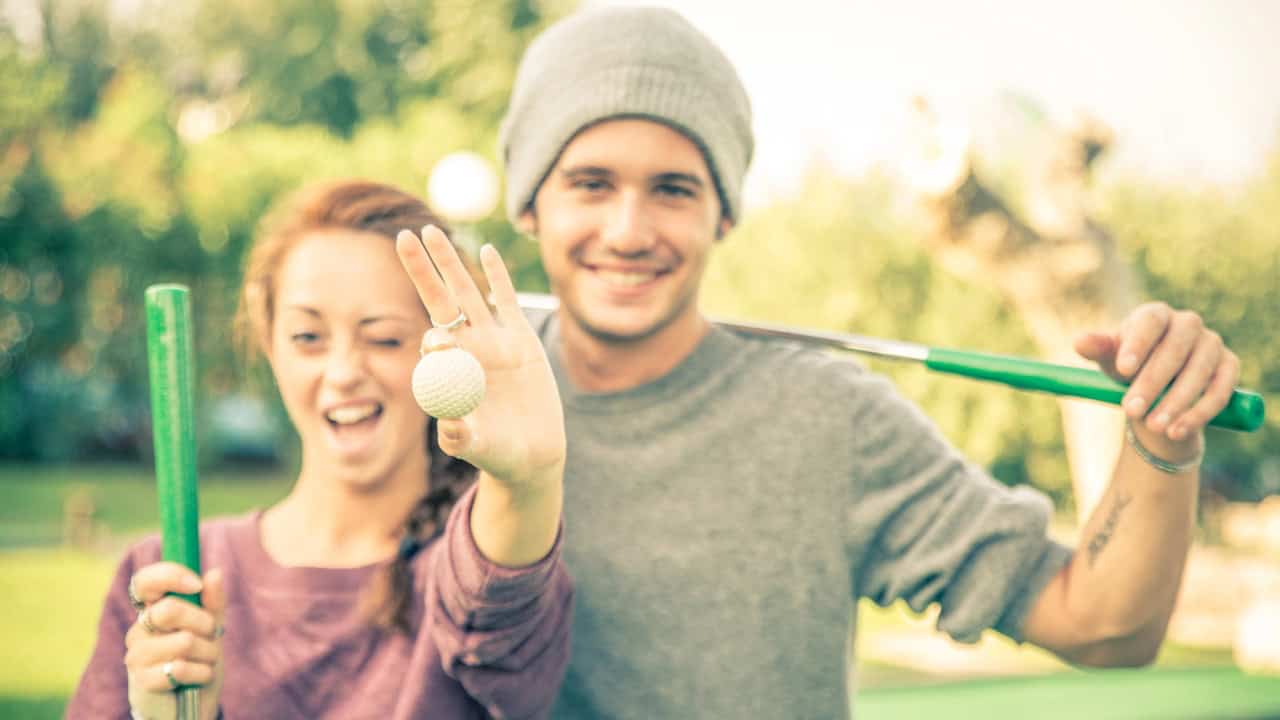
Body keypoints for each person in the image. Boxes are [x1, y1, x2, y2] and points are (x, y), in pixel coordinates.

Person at [497, 6, 1242, 718]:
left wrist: (1162, 437)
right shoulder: (466, 391)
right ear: (529, 204)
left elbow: (1107, 626)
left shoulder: (824, 416)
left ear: (722, 212)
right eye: (590, 185)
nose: (628, 231)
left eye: (673, 189)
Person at [67, 180, 573, 719]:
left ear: (445, 350)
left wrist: (527, 483)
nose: (343, 373)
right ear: (268, 342)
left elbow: (499, 591)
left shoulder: (476, 573)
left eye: (384, 338)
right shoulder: (163, 583)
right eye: (309, 338)